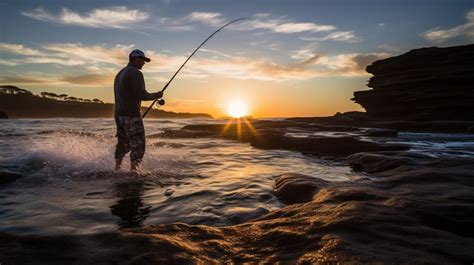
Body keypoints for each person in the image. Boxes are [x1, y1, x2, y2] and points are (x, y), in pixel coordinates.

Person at [113, 49, 163, 172]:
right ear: (134, 59)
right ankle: (134, 172)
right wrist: (157, 95)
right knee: (139, 145)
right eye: (142, 60)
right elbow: (141, 94)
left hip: (119, 114)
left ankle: (117, 168)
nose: (143, 63)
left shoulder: (120, 73)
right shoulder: (135, 72)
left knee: (123, 144)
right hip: (131, 114)